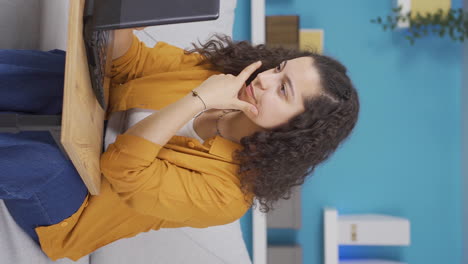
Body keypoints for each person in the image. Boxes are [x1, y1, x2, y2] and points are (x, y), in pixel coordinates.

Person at [0, 27, 359, 261]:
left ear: (296, 130)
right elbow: (132, 62)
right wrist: (120, 19)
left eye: (283, 90)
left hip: (79, 204)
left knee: (43, 164)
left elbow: (121, 168)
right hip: (86, 121)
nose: (265, 79)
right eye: (280, 68)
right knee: (59, 74)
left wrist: (197, 100)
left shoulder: (227, 197)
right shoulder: (223, 74)